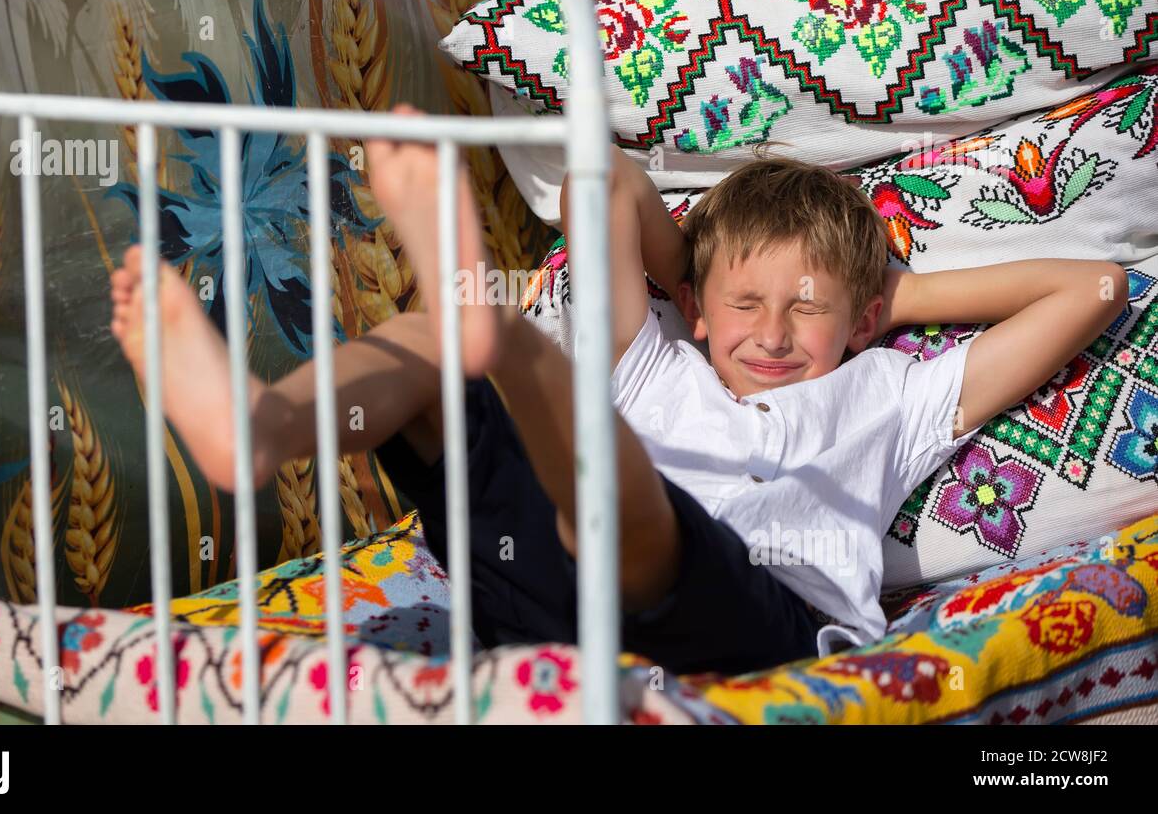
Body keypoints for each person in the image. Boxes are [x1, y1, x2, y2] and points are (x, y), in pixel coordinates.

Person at [110, 106, 1128, 675]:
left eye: (806, 309)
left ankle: (500, 336)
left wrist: (886, 297)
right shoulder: (658, 356)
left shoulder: (890, 395)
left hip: (752, 615)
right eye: (745, 303)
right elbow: (611, 183)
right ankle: (261, 423)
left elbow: (1093, 284)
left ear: (860, 322)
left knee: (639, 515)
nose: (770, 334)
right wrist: (692, 275)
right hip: (541, 592)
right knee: (427, 358)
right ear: (694, 301)